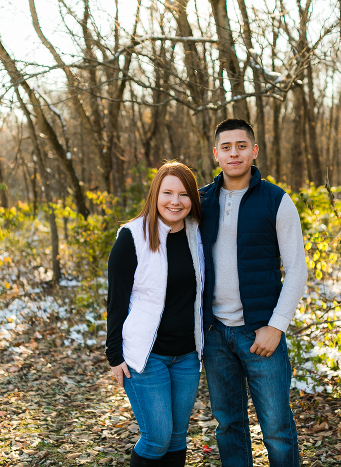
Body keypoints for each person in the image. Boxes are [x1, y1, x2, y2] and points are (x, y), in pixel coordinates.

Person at [199, 119, 308, 467]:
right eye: (227, 147)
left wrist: (276, 326)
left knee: (276, 428)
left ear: (254, 151)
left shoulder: (277, 201)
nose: (234, 153)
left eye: (241, 146)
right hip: (216, 334)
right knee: (228, 426)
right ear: (216, 154)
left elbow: (296, 269)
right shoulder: (201, 202)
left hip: (261, 332)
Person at [106, 162, 205, 467]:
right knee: (156, 437)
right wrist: (114, 355)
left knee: (177, 437)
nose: (175, 201)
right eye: (168, 193)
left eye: (184, 194)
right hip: (147, 356)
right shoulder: (132, 237)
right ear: (155, 194)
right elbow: (116, 301)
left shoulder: (198, 236)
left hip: (188, 356)